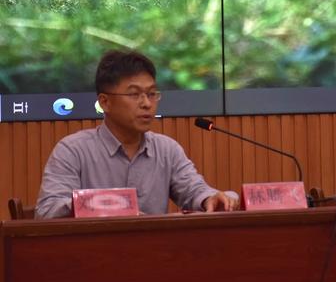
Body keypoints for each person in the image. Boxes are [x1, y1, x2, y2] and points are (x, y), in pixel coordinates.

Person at [35, 50, 239, 218]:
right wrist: (105, 205)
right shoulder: (73, 150)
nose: (147, 103)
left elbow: (195, 190)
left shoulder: (167, 150)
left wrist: (209, 198)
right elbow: (47, 211)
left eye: (151, 94)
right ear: (105, 102)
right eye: (134, 94)